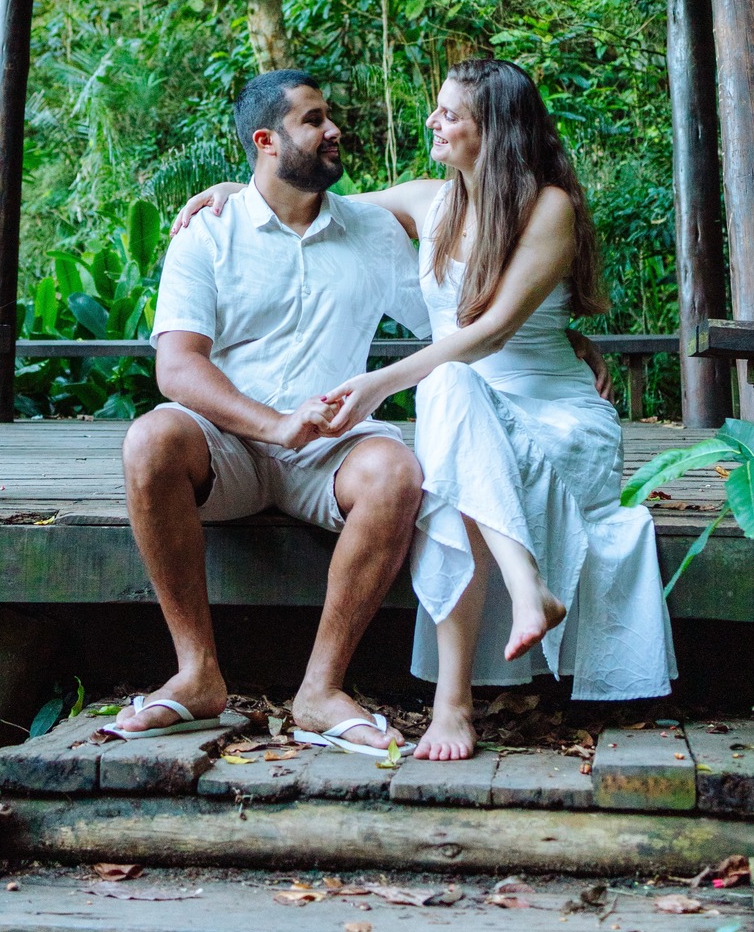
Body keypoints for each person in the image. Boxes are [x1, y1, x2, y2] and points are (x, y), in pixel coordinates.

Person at [177, 58, 676, 760]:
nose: (433, 123)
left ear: (493, 129)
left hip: (552, 415)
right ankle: (507, 616)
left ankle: (455, 698)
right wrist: (238, 186)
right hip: (470, 407)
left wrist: (379, 383)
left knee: (446, 393)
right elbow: (310, 201)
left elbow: (492, 332)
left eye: (449, 114)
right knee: (450, 414)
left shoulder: (549, 205)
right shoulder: (424, 201)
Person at [113, 68, 430, 753]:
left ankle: (320, 691)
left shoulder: (372, 231)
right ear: (266, 140)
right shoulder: (210, 233)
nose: (333, 129)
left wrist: (551, 330)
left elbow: (451, 320)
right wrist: (273, 424)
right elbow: (177, 366)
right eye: (314, 120)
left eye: (329, 117)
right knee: (150, 441)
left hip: (331, 449)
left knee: (397, 473)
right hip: (230, 446)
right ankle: (196, 674)